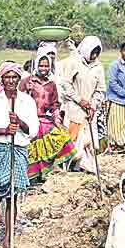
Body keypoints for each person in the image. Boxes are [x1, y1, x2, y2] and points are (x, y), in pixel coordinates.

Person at [0, 61, 38, 248]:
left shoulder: (27, 101)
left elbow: (34, 131)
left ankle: (7, 239)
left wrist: (20, 122)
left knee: (12, 197)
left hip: (18, 150)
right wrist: (4, 130)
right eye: (7, 77)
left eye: (14, 77)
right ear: (2, 79)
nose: (11, 81)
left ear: (19, 79)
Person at [22, 47, 76, 181]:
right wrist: (25, 90)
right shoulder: (28, 81)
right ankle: (31, 177)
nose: (44, 68)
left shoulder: (51, 84)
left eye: (46, 66)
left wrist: (57, 120)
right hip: (29, 120)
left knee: (59, 138)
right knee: (33, 149)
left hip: (44, 119)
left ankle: (46, 174)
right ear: (36, 66)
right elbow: (18, 100)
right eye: (41, 65)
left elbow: (55, 104)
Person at [60, 36, 106, 173]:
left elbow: (101, 90)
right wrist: (79, 100)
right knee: (73, 139)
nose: (94, 55)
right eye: (93, 52)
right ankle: (68, 167)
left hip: (89, 110)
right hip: (75, 108)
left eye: (97, 53)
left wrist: (93, 104)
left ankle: (83, 167)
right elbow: (66, 85)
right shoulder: (75, 63)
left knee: (88, 141)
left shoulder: (98, 67)